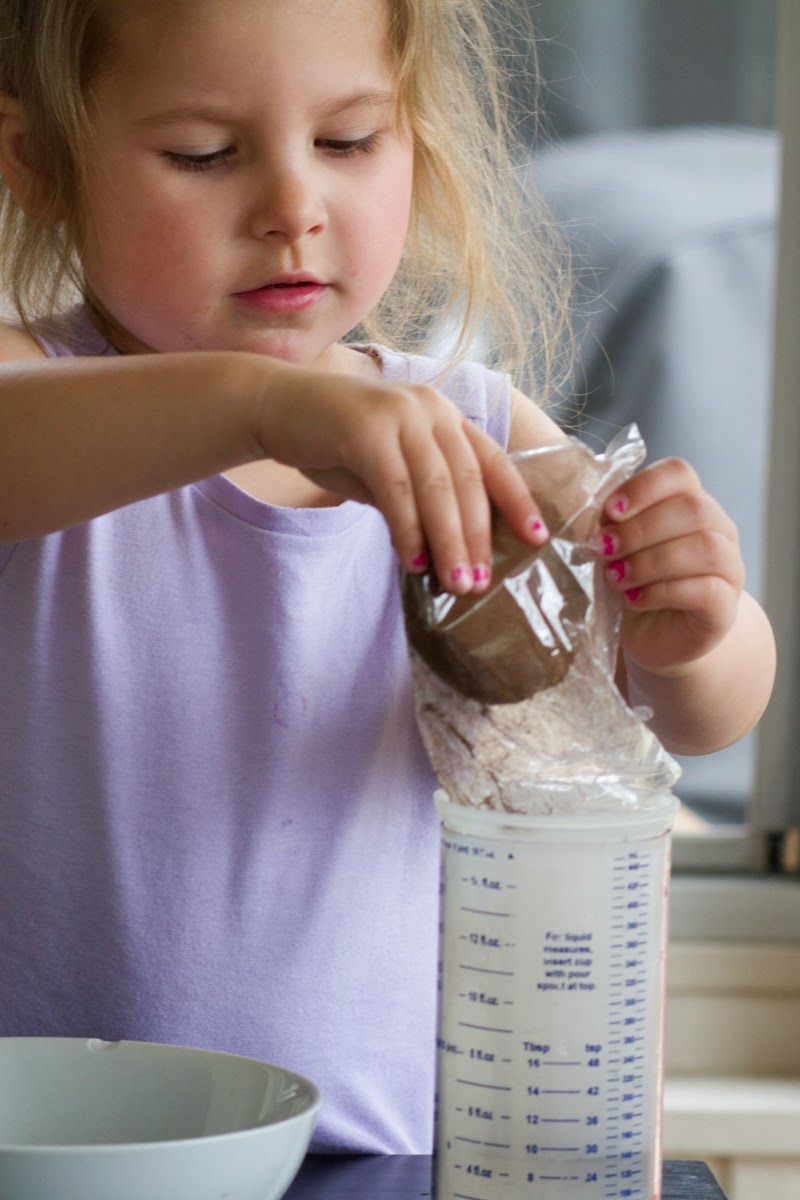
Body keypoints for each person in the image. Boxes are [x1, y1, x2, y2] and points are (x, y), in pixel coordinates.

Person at [0, 0, 775, 1154]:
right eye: (204, 155)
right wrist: (262, 403)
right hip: (70, 1163)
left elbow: (703, 719)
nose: (291, 210)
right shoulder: (41, 398)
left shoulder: (469, 430)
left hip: (392, 1158)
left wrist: (693, 631)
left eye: (349, 140)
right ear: (37, 163)